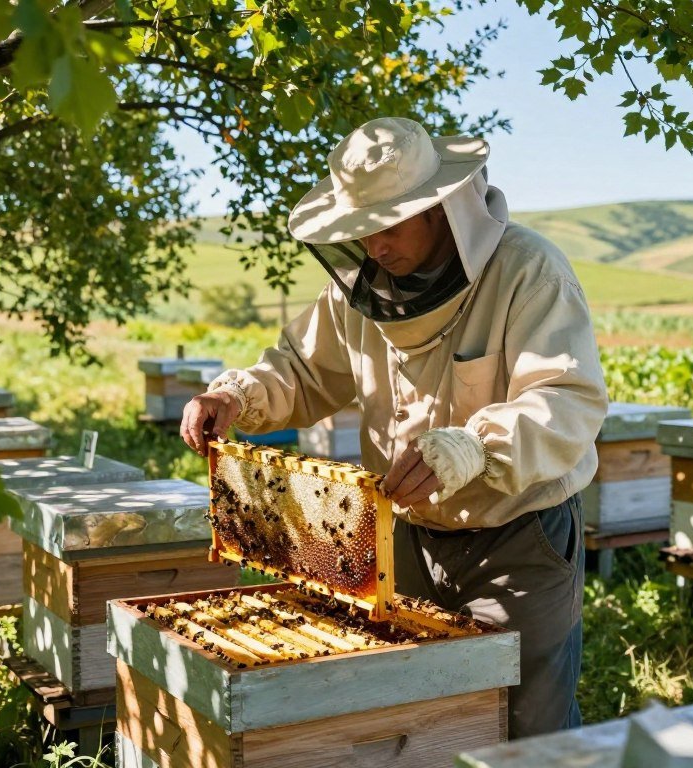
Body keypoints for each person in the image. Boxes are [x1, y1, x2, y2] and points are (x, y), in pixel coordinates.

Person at [180, 116, 608, 738]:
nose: (374, 246)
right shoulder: (358, 291)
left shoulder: (528, 270)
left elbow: (566, 400)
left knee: (524, 726)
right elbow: (302, 370)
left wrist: (473, 447)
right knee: (419, 721)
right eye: (362, 228)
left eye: (388, 225)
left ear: (438, 209)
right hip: (403, 537)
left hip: (518, 539)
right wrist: (236, 396)